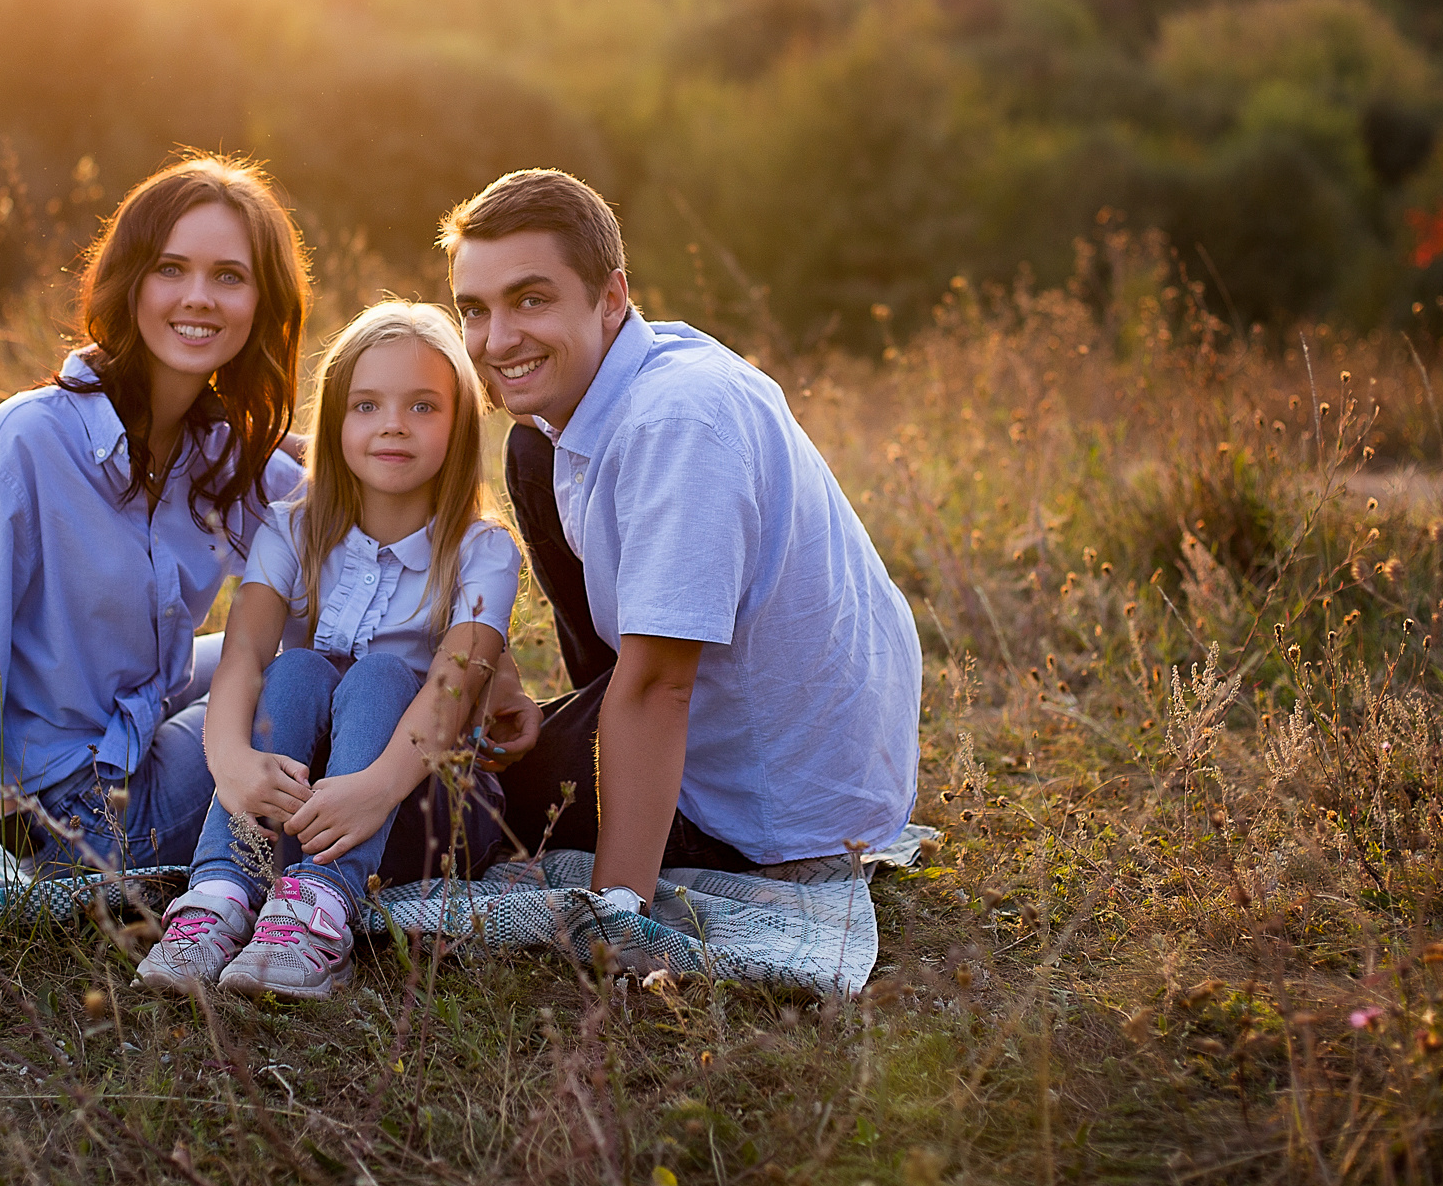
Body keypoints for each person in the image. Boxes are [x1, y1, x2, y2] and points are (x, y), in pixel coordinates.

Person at [441, 169, 920, 935]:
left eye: (531, 300)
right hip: (732, 714)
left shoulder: (679, 422)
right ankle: (604, 716)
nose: (497, 341)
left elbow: (663, 687)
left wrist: (617, 910)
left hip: (769, 803)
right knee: (531, 451)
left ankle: (623, 765)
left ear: (611, 298)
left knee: (439, 803)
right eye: (475, 309)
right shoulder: (631, 371)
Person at [0, 155, 310, 897]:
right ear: (131, 281)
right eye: (171, 268)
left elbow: (339, 511)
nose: (199, 297)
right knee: (302, 680)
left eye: (229, 276)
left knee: (326, 653)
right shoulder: (17, 449)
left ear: (260, 302)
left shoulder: (213, 449)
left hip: (134, 728)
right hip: (80, 813)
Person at [139, 302, 523, 999]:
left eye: (423, 406)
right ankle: (221, 895)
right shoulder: (292, 528)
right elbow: (243, 655)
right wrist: (232, 764)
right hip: (304, 800)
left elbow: (452, 691)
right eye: (366, 405)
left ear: (462, 424)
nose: (393, 425)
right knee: (295, 668)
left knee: (382, 674)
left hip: (422, 804)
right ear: (337, 420)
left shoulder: (483, 551)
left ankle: (318, 911)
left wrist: (376, 790)